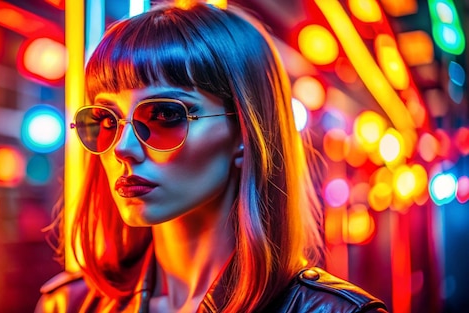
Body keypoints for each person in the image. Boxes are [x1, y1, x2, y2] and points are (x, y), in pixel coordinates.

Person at [36, 2, 388, 312]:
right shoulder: (68, 305)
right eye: (105, 120)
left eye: (164, 115)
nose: (123, 147)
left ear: (245, 133)